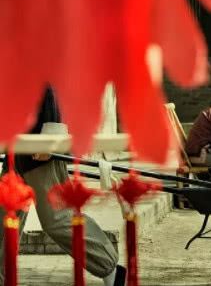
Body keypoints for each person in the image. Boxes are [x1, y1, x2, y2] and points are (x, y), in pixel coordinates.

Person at [0, 87, 125, 286]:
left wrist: (51, 142)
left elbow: (51, 90)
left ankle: (109, 267)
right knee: (4, 218)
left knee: (57, 219)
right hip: (16, 151)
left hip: (40, 153)